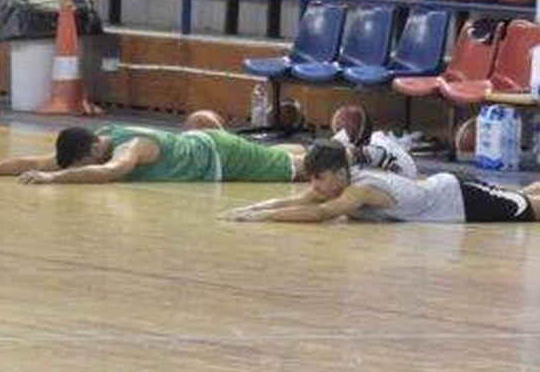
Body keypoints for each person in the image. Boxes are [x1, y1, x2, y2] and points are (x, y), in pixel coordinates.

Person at [218, 139, 540, 223]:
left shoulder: (359, 190)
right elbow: (297, 201)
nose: (314, 186)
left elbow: (321, 213)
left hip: (459, 200)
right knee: (523, 196)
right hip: (449, 191)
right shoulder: (338, 183)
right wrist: (251, 209)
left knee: (532, 209)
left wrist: (263, 217)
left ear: (339, 174)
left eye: (318, 179)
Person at [0, 124, 304, 184]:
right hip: (205, 144)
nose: (87, 168)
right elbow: (37, 161)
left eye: (84, 165)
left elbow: (109, 172)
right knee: (276, 156)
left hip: (220, 156)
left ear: (94, 149)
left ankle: (336, 154)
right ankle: (316, 148)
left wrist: (53, 179)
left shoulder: (127, 147)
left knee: (297, 171)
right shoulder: (94, 143)